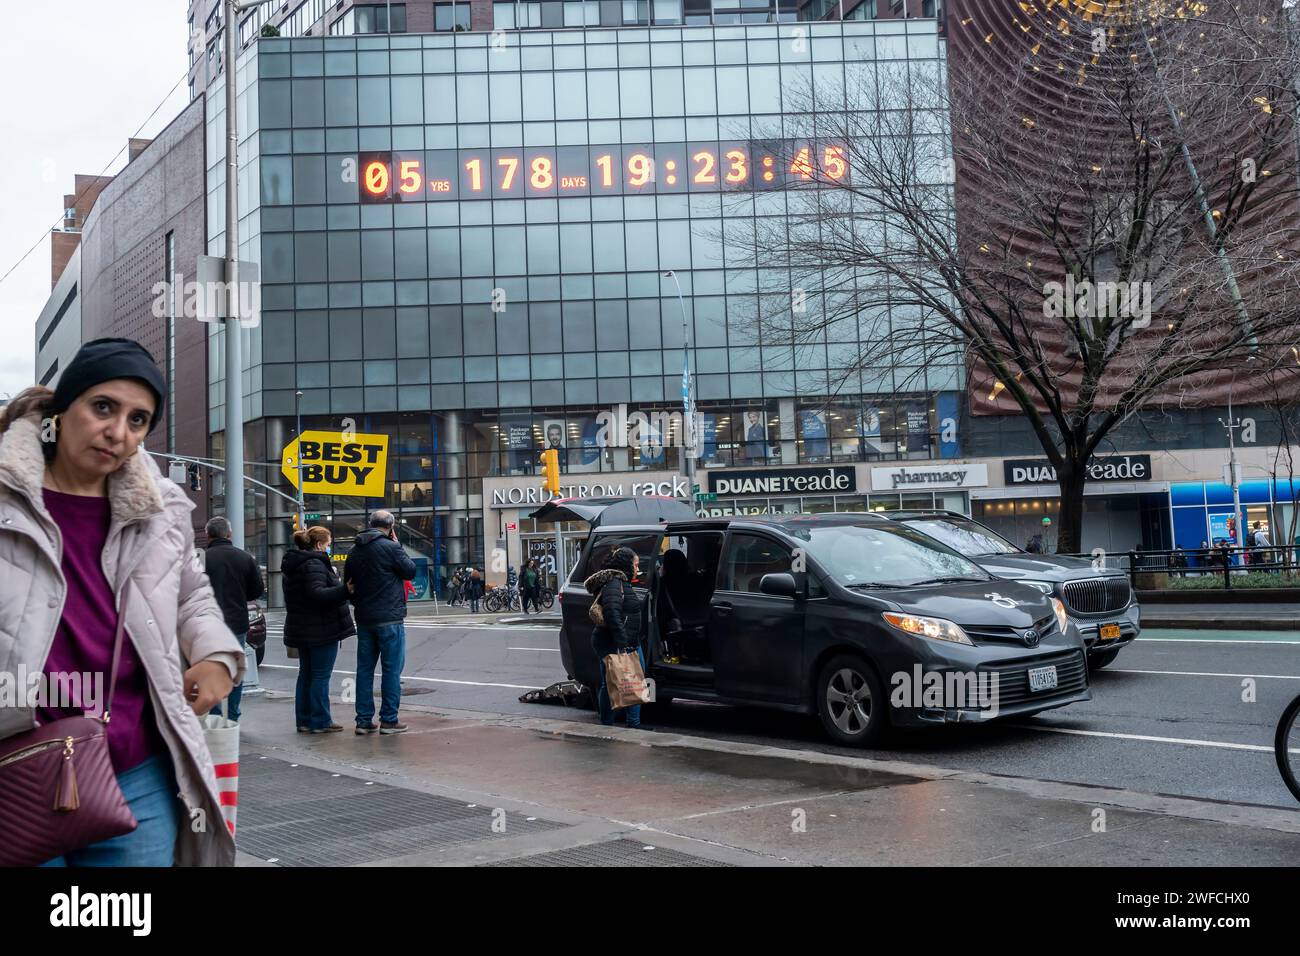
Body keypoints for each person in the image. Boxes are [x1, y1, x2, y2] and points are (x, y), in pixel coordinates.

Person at [0, 338, 243, 866]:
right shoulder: (5, 496)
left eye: (138, 420)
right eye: (103, 407)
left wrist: (217, 653)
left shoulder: (161, 511)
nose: (117, 432)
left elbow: (191, 595)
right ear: (63, 410)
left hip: (133, 769)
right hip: (13, 768)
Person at [344, 510, 417, 735]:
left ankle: (364, 720)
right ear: (391, 527)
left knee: (364, 670)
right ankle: (389, 720)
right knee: (391, 670)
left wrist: (359, 604)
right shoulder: (392, 547)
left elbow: (348, 584)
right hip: (390, 617)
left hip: (365, 618)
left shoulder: (355, 550)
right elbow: (410, 571)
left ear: (370, 524)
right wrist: (397, 545)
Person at [281, 526, 355, 733]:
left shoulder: (295, 564)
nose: (329, 548)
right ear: (319, 544)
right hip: (321, 627)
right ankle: (320, 720)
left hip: (302, 626)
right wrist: (344, 590)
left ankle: (304, 719)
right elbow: (318, 593)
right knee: (321, 675)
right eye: (329, 544)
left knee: (306, 674)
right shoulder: (314, 564)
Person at [203, 515, 265, 723]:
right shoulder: (245, 558)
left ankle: (214, 715)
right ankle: (233, 715)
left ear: (208, 535)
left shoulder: (200, 559)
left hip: (208, 624)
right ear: (229, 534)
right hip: (236, 622)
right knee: (235, 670)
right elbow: (257, 590)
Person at [584, 547, 646, 729]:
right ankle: (618, 724)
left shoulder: (620, 582)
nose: (637, 568)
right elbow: (612, 614)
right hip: (615, 643)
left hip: (627, 641)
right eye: (635, 564)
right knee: (617, 683)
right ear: (626, 564)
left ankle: (622, 723)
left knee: (631, 682)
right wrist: (622, 644)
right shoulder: (614, 584)